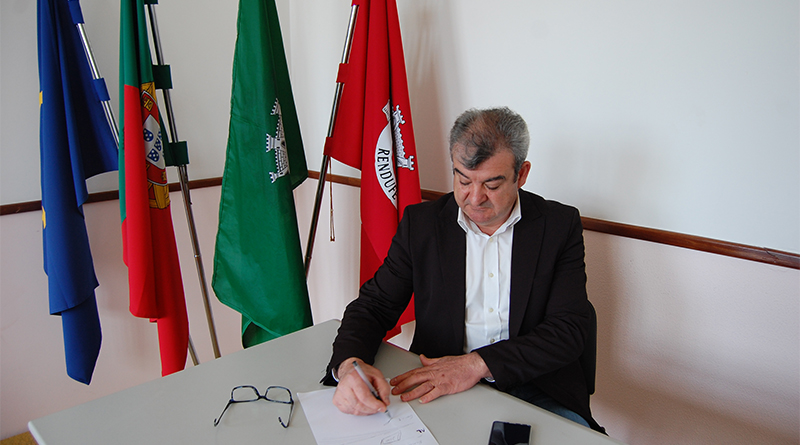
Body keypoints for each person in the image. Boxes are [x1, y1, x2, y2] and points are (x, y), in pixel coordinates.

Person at [323, 107, 604, 432]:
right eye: (463, 180)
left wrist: (476, 364)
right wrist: (349, 366)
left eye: (492, 184)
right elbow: (374, 306)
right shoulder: (422, 225)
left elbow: (568, 329)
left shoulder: (558, 226)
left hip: (538, 388)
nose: (475, 198)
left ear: (522, 174)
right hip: (440, 384)